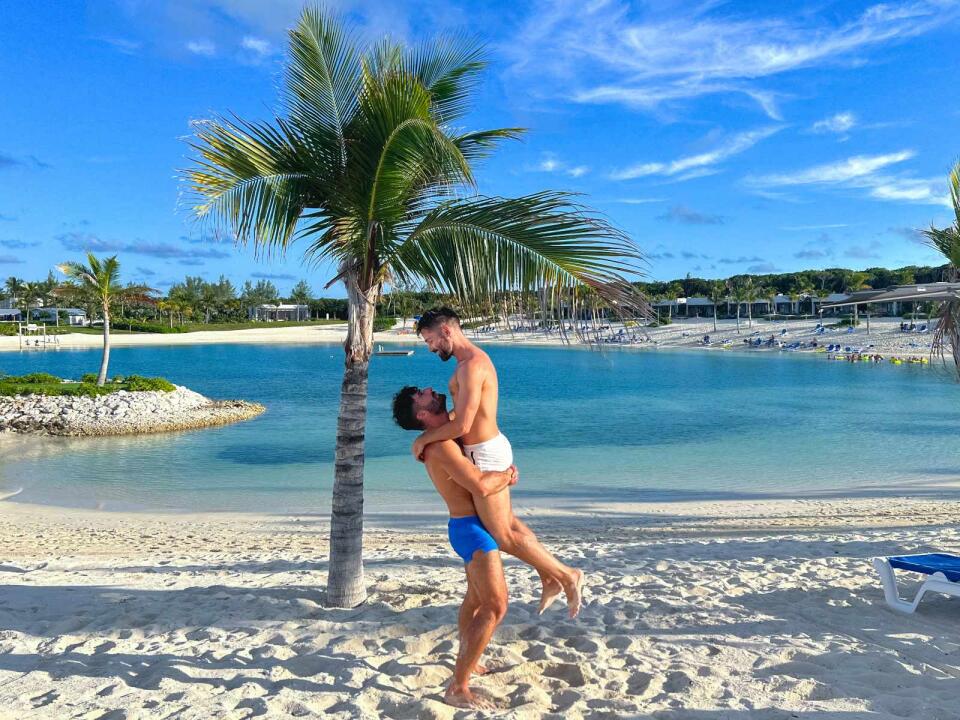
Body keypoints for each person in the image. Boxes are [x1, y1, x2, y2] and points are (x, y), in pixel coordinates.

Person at [410, 307, 584, 616]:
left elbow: (463, 425)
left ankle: (567, 575)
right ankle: (548, 577)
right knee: (510, 523)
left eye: (430, 339)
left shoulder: (470, 367)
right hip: (487, 448)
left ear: (446, 332)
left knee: (502, 536)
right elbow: (465, 415)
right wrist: (436, 431)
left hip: (486, 454)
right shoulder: (470, 362)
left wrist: (425, 439)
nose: (431, 347)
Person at [393, 387, 517, 709]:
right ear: (421, 414)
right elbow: (478, 484)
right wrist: (506, 475)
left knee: (476, 600)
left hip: (465, 527)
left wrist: (418, 441)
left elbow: (466, 418)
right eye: (422, 395)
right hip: (471, 530)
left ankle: (468, 660)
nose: (430, 390)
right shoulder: (442, 446)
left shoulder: (441, 435)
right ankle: (458, 687)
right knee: (496, 605)